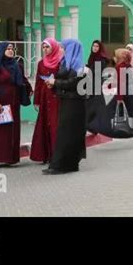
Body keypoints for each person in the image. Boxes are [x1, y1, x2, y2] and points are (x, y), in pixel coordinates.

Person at [0, 42, 33, 169]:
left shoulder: (17, 65)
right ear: (1, 50)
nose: (11, 51)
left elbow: (23, 80)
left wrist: (29, 89)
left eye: (12, 49)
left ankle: (9, 158)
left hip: (13, 104)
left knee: (11, 132)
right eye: (8, 49)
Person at [42, 39, 87, 175]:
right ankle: (63, 164)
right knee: (64, 133)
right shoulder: (66, 63)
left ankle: (64, 165)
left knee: (68, 134)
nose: (61, 50)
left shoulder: (80, 67)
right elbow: (65, 82)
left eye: (64, 48)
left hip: (75, 104)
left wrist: (56, 82)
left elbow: (73, 83)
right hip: (66, 101)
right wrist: (54, 84)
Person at [30, 38, 63, 164]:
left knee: (55, 125)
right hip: (45, 97)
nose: (45, 49)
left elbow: (62, 78)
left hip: (56, 96)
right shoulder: (40, 63)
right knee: (45, 124)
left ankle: (56, 154)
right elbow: (38, 82)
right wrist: (36, 100)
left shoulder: (60, 62)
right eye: (43, 47)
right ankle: (45, 155)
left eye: (47, 47)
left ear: (53, 48)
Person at [86, 40, 109, 134]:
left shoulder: (100, 59)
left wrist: (87, 71)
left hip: (96, 87)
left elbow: (97, 73)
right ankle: (95, 127)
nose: (94, 48)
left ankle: (96, 127)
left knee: (93, 108)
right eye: (93, 46)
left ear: (100, 48)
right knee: (93, 108)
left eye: (97, 46)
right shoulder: (93, 57)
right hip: (92, 86)